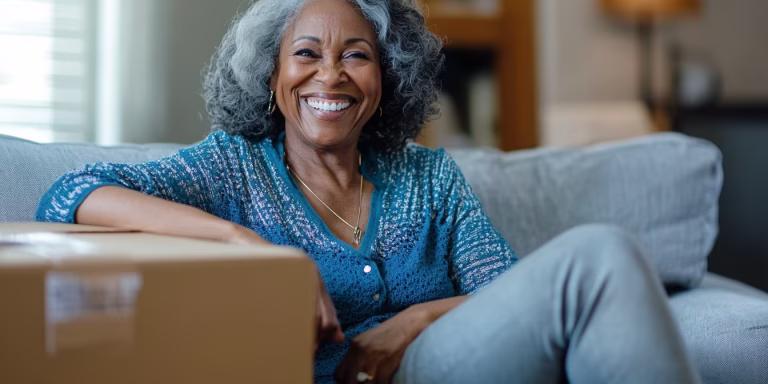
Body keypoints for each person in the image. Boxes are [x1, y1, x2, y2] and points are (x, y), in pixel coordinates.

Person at [36, 0, 701, 383]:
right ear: (271, 77)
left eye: (355, 54)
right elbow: (71, 194)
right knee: (602, 253)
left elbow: (506, 293)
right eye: (306, 54)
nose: (331, 75)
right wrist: (245, 244)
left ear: (386, 79)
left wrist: (411, 323)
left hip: (439, 365)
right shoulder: (233, 168)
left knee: (602, 254)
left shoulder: (429, 176)